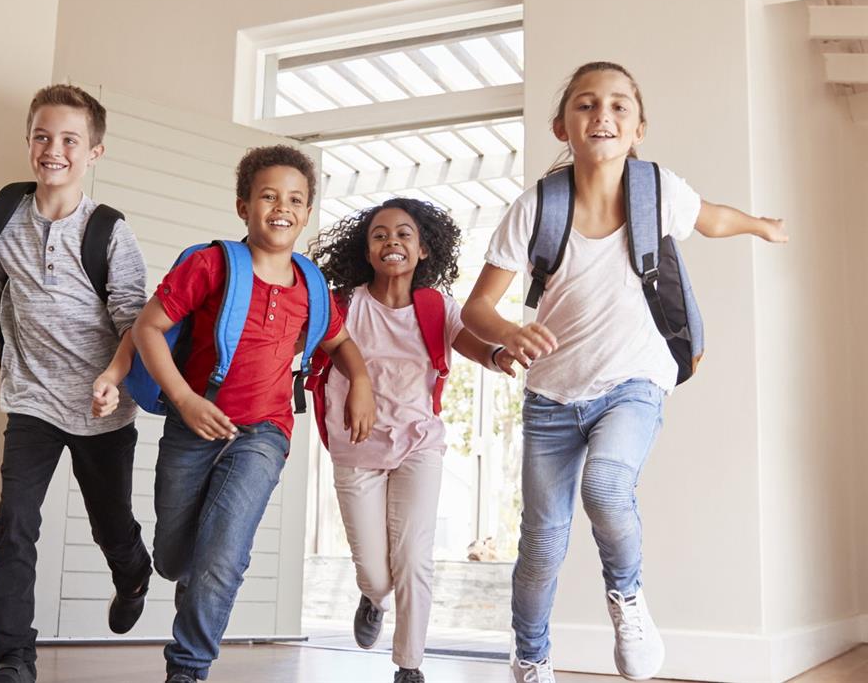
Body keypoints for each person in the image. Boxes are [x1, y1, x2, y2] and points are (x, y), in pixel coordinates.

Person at [461, 62, 788, 683]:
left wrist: (760, 225)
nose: (602, 115)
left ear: (639, 128)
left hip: (634, 381)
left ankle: (628, 599)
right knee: (541, 547)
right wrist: (508, 333)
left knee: (607, 488)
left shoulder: (657, 190)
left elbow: (712, 218)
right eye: (586, 105)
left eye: (618, 105)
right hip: (551, 397)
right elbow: (477, 307)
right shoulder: (536, 206)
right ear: (562, 125)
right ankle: (529, 657)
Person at [131, 145, 376, 683]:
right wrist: (186, 400)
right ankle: (183, 580)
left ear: (308, 211)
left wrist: (359, 378)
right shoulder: (211, 264)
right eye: (268, 196)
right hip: (194, 425)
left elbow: (341, 342)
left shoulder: (312, 285)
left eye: (295, 199)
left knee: (225, 553)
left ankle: (188, 669)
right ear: (243, 205)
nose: (281, 207)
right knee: (175, 558)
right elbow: (146, 329)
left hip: (264, 432)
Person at [0, 84, 151, 683]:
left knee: (108, 520)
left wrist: (114, 378)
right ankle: (14, 659)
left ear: (95, 152)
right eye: (42, 136)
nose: (53, 149)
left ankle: (132, 568)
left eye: (69, 139)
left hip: (100, 407)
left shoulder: (109, 231)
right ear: (28, 141)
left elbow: (136, 322)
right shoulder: (5, 216)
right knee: (14, 523)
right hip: (31, 399)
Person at [309, 198, 515, 683]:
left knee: (414, 556)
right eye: (380, 235)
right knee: (377, 574)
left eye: (404, 234)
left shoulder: (436, 306)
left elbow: (471, 343)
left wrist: (499, 354)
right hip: (356, 446)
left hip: (419, 443)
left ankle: (409, 665)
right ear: (367, 250)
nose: (392, 242)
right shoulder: (344, 304)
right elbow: (313, 347)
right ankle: (373, 598)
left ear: (424, 250)